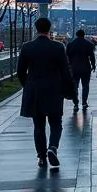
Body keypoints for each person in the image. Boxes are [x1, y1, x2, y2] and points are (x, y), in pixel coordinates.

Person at [17, 17, 74, 169]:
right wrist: (70, 90)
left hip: (34, 90)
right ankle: (53, 147)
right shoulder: (58, 47)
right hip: (54, 90)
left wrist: (27, 85)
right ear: (50, 29)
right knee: (56, 123)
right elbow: (65, 71)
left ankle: (41, 158)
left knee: (38, 125)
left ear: (36, 29)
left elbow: (20, 71)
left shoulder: (27, 47)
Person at [66, 29, 96, 111]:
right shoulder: (89, 44)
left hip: (74, 68)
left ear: (76, 34)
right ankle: (84, 102)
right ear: (84, 35)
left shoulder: (71, 44)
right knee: (85, 86)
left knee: (75, 86)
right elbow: (92, 56)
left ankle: (75, 103)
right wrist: (93, 65)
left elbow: (67, 57)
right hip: (86, 68)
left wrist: (69, 67)